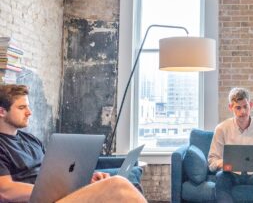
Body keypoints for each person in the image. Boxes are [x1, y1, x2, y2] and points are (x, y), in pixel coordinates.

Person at [0, 84, 147, 203]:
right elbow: (6, 191)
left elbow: (52, 173)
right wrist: (57, 189)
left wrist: (84, 179)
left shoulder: (30, 140)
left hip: (58, 195)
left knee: (127, 188)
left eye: (28, 106)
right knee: (118, 185)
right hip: (42, 199)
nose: (29, 112)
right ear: (2, 112)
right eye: (21, 108)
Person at [208, 87, 253, 203]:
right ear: (230, 107)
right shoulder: (221, 129)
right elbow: (212, 161)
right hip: (231, 174)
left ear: (250, 105)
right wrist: (221, 162)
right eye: (238, 107)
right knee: (221, 178)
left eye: (245, 106)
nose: (243, 112)